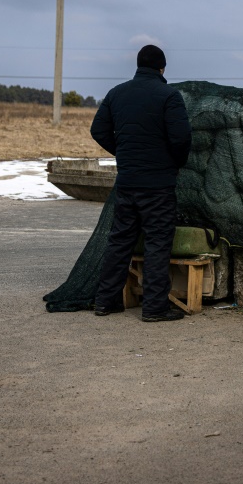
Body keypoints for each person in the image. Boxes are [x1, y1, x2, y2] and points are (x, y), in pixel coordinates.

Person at [89, 44, 192, 321]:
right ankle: (154, 308)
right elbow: (181, 139)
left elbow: (98, 130)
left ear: (137, 66)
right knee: (157, 243)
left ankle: (105, 301)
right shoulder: (169, 96)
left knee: (120, 241)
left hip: (127, 181)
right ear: (162, 68)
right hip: (158, 184)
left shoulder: (116, 93)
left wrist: (124, 152)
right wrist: (174, 163)